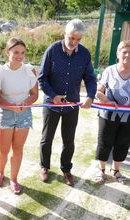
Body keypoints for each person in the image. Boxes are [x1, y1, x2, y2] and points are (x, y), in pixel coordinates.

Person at [38, 19, 97, 186]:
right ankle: (44, 167)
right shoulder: (52, 50)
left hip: (72, 105)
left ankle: (66, 169)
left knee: (69, 140)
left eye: (78, 39)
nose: (74, 42)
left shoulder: (84, 54)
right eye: (71, 38)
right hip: (52, 104)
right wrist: (53, 95)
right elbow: (42, 78)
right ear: (64, 34)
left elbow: (90, 78)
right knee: (46, 138)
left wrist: (90, 96)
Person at [0, 38, 38, 194]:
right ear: (8, 52)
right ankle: (0, 174)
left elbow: (34, 94)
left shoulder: (29, 70)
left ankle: (13, 179)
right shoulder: (0, 71)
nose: (20, 56)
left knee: (18, 149)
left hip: (24, 114)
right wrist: (11, 106)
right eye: (16, 52)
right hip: (5, 114)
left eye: (23, 53)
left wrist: (25, 104)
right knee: (3, 151)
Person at [95, 40, 130, 185]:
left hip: (127, 118)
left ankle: (116, 171)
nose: (127, 55)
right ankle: (101, 170)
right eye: (124, 52)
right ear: (118, 53)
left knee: (122, 143)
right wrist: (108, 101)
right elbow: (98, 92)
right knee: (104, 142)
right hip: (108, 115)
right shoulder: (109, 71)